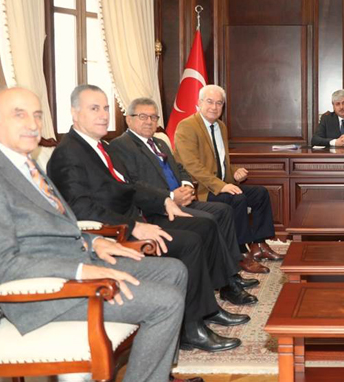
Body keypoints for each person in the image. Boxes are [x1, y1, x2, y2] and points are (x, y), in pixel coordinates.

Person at [0, 87, 197, 382]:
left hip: (76, 262)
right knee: (166, 301)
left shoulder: (23, 164)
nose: (32, 124)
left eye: (37, 115)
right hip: (43, 292)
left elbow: (57, 226)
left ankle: (155, 374)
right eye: (19, 114)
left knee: (172, 270)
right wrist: (81, 269)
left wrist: (96, 242)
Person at [48, 85, 252, 354]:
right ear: (74, 113)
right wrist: (136, 226)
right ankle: (191, 329)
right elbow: (81, 208)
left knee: (204, 225)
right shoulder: (68, 153)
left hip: (136, 218)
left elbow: (129, 186)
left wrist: (164, 201)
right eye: (94, 108)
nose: (104, 115)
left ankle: (207, 310)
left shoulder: (100, 147)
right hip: (112, 234)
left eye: (106, 108)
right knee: (190, 241)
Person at [108, 97, 267, 280]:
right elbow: (134, 184)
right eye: (143, 117)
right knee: (208, 221)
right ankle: (226, 281)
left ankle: (232, 272)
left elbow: (180, 168)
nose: (149, 122)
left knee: (224, 211)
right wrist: (170, 196)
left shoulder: (159, 143)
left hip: (181, 200)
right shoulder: (121, 145)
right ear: (129, 119)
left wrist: (187, 186)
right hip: (157, 209)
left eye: (153, 117)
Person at [173, 84, 283, 265]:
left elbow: (220, 160)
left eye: (219, 103)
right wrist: (222, 186)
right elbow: (191, 165)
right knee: (237, 199)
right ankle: (240, 253)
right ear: (199, 102)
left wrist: (234, 170)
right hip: (202, 189)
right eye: (209, 102)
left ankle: (259, 245)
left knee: (260, 193)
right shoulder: (187, 126)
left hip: (221, 184)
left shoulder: (221, 126)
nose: (214, 107)